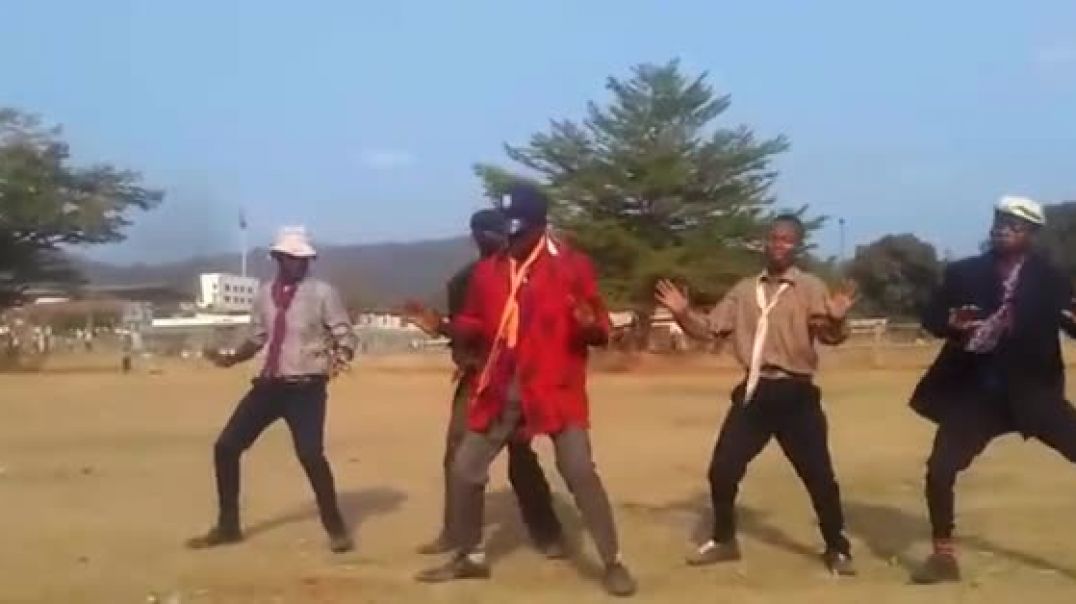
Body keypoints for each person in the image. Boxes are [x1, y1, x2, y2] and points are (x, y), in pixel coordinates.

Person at [413, 183, 638, 597]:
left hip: (556, 387)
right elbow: (480, 326)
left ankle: (613, 562)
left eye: (520, 232)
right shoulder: (488, 272)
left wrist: (591, 325)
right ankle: (471, 556)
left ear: (541, 226)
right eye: (508, 232)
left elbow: (599, 329)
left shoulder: (572, 267)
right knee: (465, 467)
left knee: (579, 472)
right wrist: (443, 326)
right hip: (504, 387)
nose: (512, 240)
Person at [655, 214, 858, 576]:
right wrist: (683, 314)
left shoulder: (810, 288)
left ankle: (837, 548)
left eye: (787, 240)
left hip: (796, 393)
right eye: (773, 238)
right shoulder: (744, 290)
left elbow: (829, 336)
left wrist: (838, 319)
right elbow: (708, 330)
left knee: (819, 477)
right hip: (754, 392)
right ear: (765, 243)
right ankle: (724, 540)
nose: (778, 245)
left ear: (797, 246)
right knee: (722, 470)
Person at [908, 196, 1076, 584]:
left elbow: (1069, 321)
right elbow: (932, 318)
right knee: (939, 469)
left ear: (1031, 234)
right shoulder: (963, 273)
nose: (1003, 229)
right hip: (977, 394)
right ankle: (943, 556)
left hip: (1035, 392)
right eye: (1000, 221)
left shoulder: (1050, 277)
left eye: (1014, 225)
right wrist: (952, 324)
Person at [404, 208, 564, 557]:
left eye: (496, 233)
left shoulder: (524, 277)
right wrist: (451, 340)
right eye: (484, 232)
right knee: (457, 457)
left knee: (520, 459)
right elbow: (464, 333)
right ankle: (455, 533)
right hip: (477, 379)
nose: (491, 239)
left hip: (516, 380)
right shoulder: (462, 282)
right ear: (475, 235)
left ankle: (548, 533)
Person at [187, 226, 357, 554]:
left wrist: (342, 356)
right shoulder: (264, 293)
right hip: (268, 386)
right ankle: (228, 526)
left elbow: (344, 333)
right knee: (226, 447)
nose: (300, 264)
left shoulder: (323, 292)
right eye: (293, 258)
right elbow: (257, 336)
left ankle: (336, 528)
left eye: (304, 259)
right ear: (278, 259)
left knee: (310, 455)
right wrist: (231, 358)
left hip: (306, 387)